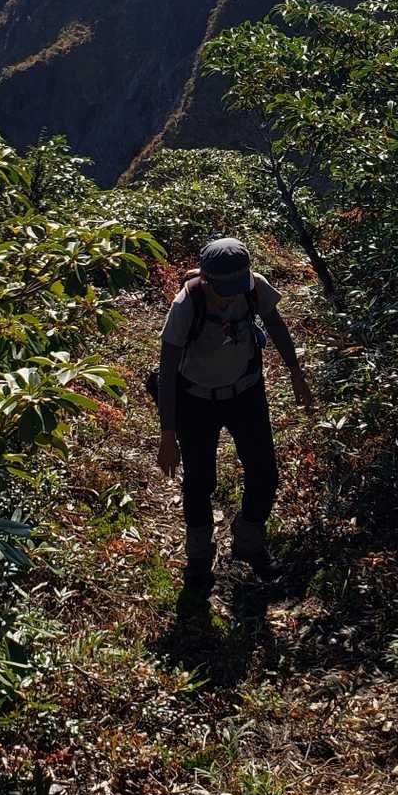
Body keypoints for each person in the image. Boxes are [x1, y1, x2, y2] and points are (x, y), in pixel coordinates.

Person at [156, 236, 314, 595]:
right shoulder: (186, 305)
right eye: (222, 290)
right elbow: (167, 371)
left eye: (236, 288)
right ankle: (199, 557)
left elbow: (276, 325)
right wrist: (168, 434)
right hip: (196, 400)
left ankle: (249, 541)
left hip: (246, 392)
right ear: (206, 280)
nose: (229, 297)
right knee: (199, 482)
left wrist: (296, 373)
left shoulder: (253, 288)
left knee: (265, 473)